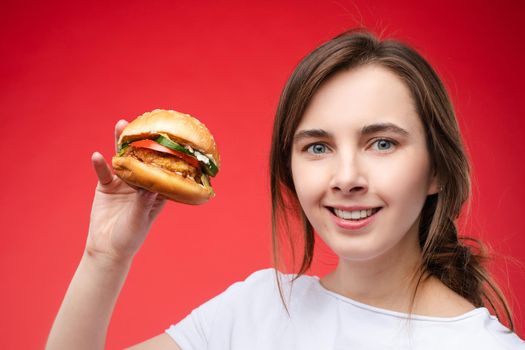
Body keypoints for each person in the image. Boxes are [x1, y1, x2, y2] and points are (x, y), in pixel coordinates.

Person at [46, 29, 525, 349]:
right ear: (290, 170)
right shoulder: (255, 308)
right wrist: (104, 257)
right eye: (317, 147)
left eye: (381, 143)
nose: (346, 177)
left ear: (437, 168)